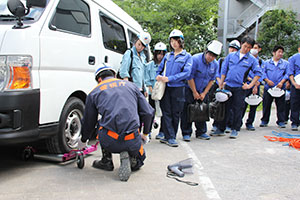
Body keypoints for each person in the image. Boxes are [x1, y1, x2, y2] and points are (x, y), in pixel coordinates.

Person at [78, 64, 154, 181]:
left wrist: (83, 140)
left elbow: (89, 122)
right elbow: (148, 112)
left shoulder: (94, 93)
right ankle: (133, 158)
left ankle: (106, 161)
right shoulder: (132, 86)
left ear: (99, 79)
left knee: (100, 123)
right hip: (132, 140)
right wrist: (145, 134)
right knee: (140, 160)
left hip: (110, 141)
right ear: (114, 75)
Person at [214, 36, 262, 139]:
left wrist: (250, 85)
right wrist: (221, 83)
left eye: (249, 47)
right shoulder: (231, 56)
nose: (246, 49)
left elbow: (258, 73)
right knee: (224, 108)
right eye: (245, 46)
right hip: (228, 86)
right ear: (241, 44)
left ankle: (235, 129)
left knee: (237, 109)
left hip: (240, 88)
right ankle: (221, 128)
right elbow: (224, 70)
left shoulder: (252, 60)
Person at [156, 29, 192, 147]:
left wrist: (170, 78)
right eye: (172, 41)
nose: (174, 43)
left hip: (178, 88)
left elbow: (186, 73)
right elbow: (159, 69)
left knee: (175, 112)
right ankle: (169, 136)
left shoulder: (187, 56)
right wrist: (158, 76)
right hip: (166, 88)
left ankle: (171, 136)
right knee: (166, 112)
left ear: (181, 41)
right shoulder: (167, 56)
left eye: (176, 41)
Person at [181, 40, 222, 141]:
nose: (211, 57)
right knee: (188, 111)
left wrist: (204, 93)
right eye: (210, 55)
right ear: (206, 51)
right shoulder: (195, 59)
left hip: (203, 90)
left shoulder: (215, 64)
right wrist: (194, 92)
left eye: (214, 56)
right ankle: (186, 132)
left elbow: (212, 80)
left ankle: (201, 132)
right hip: (190, 88)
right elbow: (190, 77)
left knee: (202, 110)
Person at [211, 39, 240, 134]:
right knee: (219, 107)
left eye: (235, 49)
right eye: (231, 48)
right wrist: (220, 82)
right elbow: (217, 73)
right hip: (220, 86)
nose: (232, 50)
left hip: (231, 86)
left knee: (231, 108)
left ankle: (230, 125)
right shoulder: (222, 60)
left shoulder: (239, 61)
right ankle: (217, 125)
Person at [260, 45, 289, 128]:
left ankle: (281, 121)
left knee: (281, 105)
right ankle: (264, 120)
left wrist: (282, 82)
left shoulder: (285, 64)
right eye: (279, 52)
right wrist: (267, 81)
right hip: (268, 87)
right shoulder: (266, 63)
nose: (281, 54)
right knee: (266, 105)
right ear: (274, 53)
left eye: (282, 52)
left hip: (280, 88)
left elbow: (287, 74)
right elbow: (262, 73)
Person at [145, 42, 167, 139]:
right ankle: (148, 131)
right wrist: (151, 90)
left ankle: (162, 132)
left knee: (163, 113)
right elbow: (147, 79)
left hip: (163, 92)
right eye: (158, 53)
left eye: (162, 54)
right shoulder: (149, 65)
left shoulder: (167, 65)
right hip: (152, 93)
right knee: (150, 113)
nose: (160, 56)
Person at [240, 42, 264, 131]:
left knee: (254, 105)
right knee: (243, 105)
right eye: (253, 47)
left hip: (256, 85)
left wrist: (256, 84)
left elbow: (262, 74)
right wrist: (251, 81)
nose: (254, 49)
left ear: (259, 49)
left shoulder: (261, 61)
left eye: (256, 48)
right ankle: (238, 122)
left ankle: (250, 123)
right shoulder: (246, 59)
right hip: (246, 84)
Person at [119, 31, 151, 96]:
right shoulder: (129, 53)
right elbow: (123, 71)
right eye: (139, 44)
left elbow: (143, 75)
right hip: (131, 88)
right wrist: (127, 87)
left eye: (143, 46)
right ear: (136, 41)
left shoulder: (143, 57)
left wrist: (144, 89)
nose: (140, 47)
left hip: (140, 89)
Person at [288, 43, 300, 131]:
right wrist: (294, 83)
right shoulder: (293, 58)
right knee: (294, 103)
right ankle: (294, 122)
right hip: (296, 84)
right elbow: (290, 72)